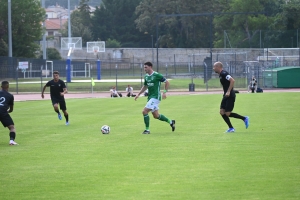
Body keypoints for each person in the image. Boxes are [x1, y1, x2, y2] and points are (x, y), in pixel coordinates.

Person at [134, 61, 175, 134]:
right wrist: (138, 94)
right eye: (144, 67)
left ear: (150, 67)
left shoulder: (157, 75)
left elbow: (167, 82)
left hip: (156, 97)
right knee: (156, 116)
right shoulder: (146, 76)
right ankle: (171, 122)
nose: (144, 69)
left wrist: (164, 92)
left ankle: (147, 130)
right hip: (150, 97)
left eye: (146, 67)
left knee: (144, 111)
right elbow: (145, 86)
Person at [213, 61, 249, 133]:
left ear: (218, 67)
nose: (213, 68)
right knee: (222, 112)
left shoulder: (224, 73)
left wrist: (229, 91)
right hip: (226, 95)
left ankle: (244, 118)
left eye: (214, 67)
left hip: (230, 95)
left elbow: (232, 80)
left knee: (227, 113)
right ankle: (231, 128)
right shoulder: (220, 75)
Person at [0, 81, 18, 145]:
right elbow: (11, 108)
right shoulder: (10, 95)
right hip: (3, 112)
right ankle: (11, 141)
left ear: (1, 87)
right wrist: (9, 111)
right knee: (11, 127)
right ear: (8, 87)